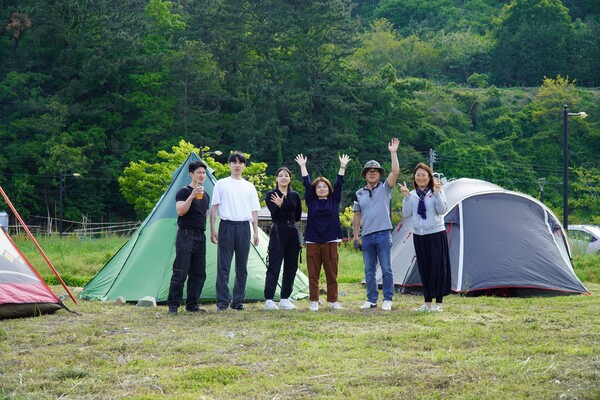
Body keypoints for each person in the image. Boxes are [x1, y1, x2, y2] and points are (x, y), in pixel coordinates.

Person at [295, 153, 350, 311]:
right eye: (318, 187)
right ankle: (314, 300)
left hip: (331, 241)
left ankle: (333, 301)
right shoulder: (311, 201)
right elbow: (306, 182)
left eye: (324, 186)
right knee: (313, 274)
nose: (321, 188)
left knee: (332, 273)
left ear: (328, 189)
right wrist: (303, 166)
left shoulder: (334, 199)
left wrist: (342, 166)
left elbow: (339, 183)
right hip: (313, 241)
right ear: (315, 190)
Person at [210, 151, 261, 311]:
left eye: (240, 163)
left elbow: (254, 211)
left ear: (244, 166)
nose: (237, 165)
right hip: (226, 226)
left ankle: (238, 302)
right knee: (223, 266)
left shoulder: (249, 186)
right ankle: (222, 303)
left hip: (244, 227)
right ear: (229, 164)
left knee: (242, 266)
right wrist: (212, 228)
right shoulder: (221, 184)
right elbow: (214, 207)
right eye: (234, 162)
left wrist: (256, 232)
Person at [353, 138, 400, 311]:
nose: (372, 173)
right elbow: (357, 215)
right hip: (367, 236)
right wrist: (356, 235)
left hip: (383, 234)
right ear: (365, 174)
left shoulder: (385, 188)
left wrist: (393, 153)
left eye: (375, 171)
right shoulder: (359, 193)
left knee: (386, 268)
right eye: (369, 171)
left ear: (379, 174)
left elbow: (395, 172)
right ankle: (371, 299)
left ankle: (387, 299)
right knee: (369, 270)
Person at [398, 163, 451, 312]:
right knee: (424, 268)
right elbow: (406, 214)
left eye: (424, 175)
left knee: (438, 268)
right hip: (419, 235)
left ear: (429, 177)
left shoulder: (435, 191)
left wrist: (437, 193)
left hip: (436, 233)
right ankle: (427, 303)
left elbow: (442, 210)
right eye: (418, 175)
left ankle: (438, 304)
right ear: (414, 178)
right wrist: (407, 197)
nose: (421, 178)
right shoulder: (413, 194)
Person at [167, 160, 210, 315]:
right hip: (185, 233)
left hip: (200, 235)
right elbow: (180, 211)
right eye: (199, 172)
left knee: (199, 273)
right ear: (191, 174)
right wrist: (191, 196)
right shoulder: (183, 192)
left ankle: (192, 305)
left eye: (204, 173)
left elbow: (203, 215)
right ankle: (173, 306)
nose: (202, 175)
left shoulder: (206, 195)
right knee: (181, 270)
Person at [264, 167, 303, 310]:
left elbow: (297, 215)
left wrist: (283, 204)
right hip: (278, 230)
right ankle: (269, 299)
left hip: (292, 230)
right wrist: (280, 206)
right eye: (280, 175)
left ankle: (285, 298)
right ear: (276, 179)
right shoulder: (271, 194)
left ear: (290, 179)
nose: (283, 178)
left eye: (286, 175)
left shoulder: (295, 195)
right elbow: (274, 213)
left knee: (291, 266)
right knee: (274, 265)